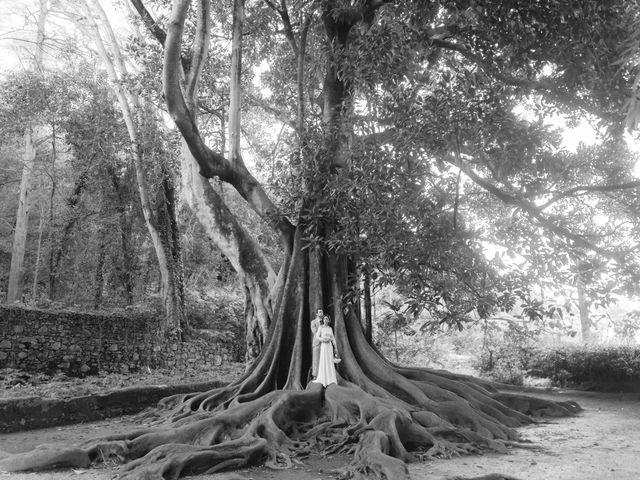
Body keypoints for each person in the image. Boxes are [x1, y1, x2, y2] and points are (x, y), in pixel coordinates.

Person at [313, 315, 339, 387]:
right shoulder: (321, 327)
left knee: (330, 361)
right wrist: (322, 339)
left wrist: (335, 347)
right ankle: (324, 379)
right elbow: (317, 336)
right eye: (324, 319)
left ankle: (331, 378)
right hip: (324, 346)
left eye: (327, 319)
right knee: (324, 360)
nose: (325, 320)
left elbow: (333, 338)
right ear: (323, 320)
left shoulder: (330, 328)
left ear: (329, 320)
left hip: (329, 346)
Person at [311, 309, 323, 379]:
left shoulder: (325, 321)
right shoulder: (313, 322)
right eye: (320, 312)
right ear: (317, 314)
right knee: (316, 359)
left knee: (324, 359)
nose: (321, 313)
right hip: (317, 343)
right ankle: (315, 375)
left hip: (324, 343)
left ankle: (323, 375)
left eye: (322, 312)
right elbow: (314, 331)